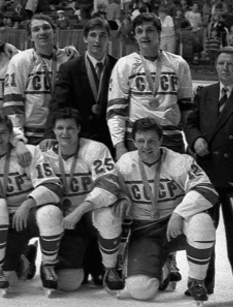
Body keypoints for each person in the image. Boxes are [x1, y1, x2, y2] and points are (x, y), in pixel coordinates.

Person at [93, 118, 217, 305]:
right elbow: (106, 187)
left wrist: (179, 213)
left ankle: (196, 280)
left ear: (161, 141)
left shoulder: (180, 161)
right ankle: (163, 267)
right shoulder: (125, 164)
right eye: (141, 141)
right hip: (145, 231)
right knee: (140, 290)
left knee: (202, 221)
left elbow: (207, 189)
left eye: (152, 141)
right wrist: (120, 195)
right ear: (134, 143)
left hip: (174, 224)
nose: (146, 146)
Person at [0, 112, 64, 296]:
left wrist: (28, 204)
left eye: (3, 133)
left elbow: (54, 186)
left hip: (24, 216)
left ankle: (47, 265)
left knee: (50, 212)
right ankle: (11, 261)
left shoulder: (28, 152)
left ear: (10, 134)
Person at [41, 108, 125, 294]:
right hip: (65, 223)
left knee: (109, 214)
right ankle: (44, 261)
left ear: (79, 129)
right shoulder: (45, 154)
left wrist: (80, 211)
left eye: (70, 128)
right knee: (68, 283)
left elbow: (109, 187)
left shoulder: (96, 149)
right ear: (53, 131)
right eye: (60, 128)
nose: (65, 133)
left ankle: (110, 268)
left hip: (88, 216)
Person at [107, 13, 193, 160]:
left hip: (171, 140)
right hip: (137, 141)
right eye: (140, 31)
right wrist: (119, 146)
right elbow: (115, 111)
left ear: (159, 33)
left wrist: (191, 141)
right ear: (135, 36)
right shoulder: (124, 64)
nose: (144, 35)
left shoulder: (178, 63)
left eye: (150, 30)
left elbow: (187, 109)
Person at [185, 46, 233, 295]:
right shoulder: (206, 93)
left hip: (232, 176)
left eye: (230, 64)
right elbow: (191, 122)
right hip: (207, 175)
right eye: (222, 63)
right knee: (204, 231)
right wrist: (195, 140)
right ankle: (203, 282)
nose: (225, 68)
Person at [44, 18, 116, 153]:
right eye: (93, 35)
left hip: (110, 139)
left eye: (102, 35)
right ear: (85, 39)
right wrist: (49, 135)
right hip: (79, 138)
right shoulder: (70, 68)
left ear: (109, 39)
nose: (97, 40)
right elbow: (58, 103)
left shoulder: (118, 66)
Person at [4, 15, 76, 145]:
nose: (42, 32)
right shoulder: (21, 60)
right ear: (30, 36)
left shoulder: (68, 58)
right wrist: (18, 138)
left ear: (55, 32)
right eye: (36, 29)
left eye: (46, 28)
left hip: (62, 133)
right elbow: (13, 104)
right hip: (31, 135)